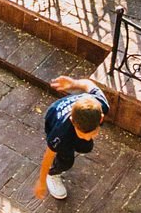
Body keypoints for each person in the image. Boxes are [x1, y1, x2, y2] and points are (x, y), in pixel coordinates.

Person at [34, 74, 108, 202]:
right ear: (72, 121)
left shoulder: (101, 103)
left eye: (92, 132)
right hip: (54, 118)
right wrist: (41, 182)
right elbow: (48, 155)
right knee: (67, 161)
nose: (88, 137)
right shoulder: (60, 133)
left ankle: (76, 143)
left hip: (72, 123)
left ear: (101, 118)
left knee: (86, 146)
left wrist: (74, 83)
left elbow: (88, 84)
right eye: (83, 134)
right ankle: (53, 174)